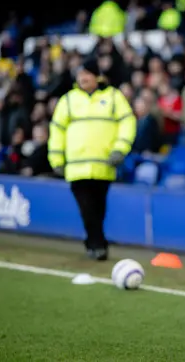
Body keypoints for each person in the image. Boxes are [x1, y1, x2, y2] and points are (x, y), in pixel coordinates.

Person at [48, 57, 136, 261]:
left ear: (97, 76)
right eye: (80, 74)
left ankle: (94, 241)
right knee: (86, 208)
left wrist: (120, 149)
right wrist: (56, 159)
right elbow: (57, 130)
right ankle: (97, 245)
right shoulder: (68, 100)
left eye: (87, 73)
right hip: (76, 167)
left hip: (104, 165)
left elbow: (128, 122)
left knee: (99, 208)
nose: (83, 77)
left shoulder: (114, 97)